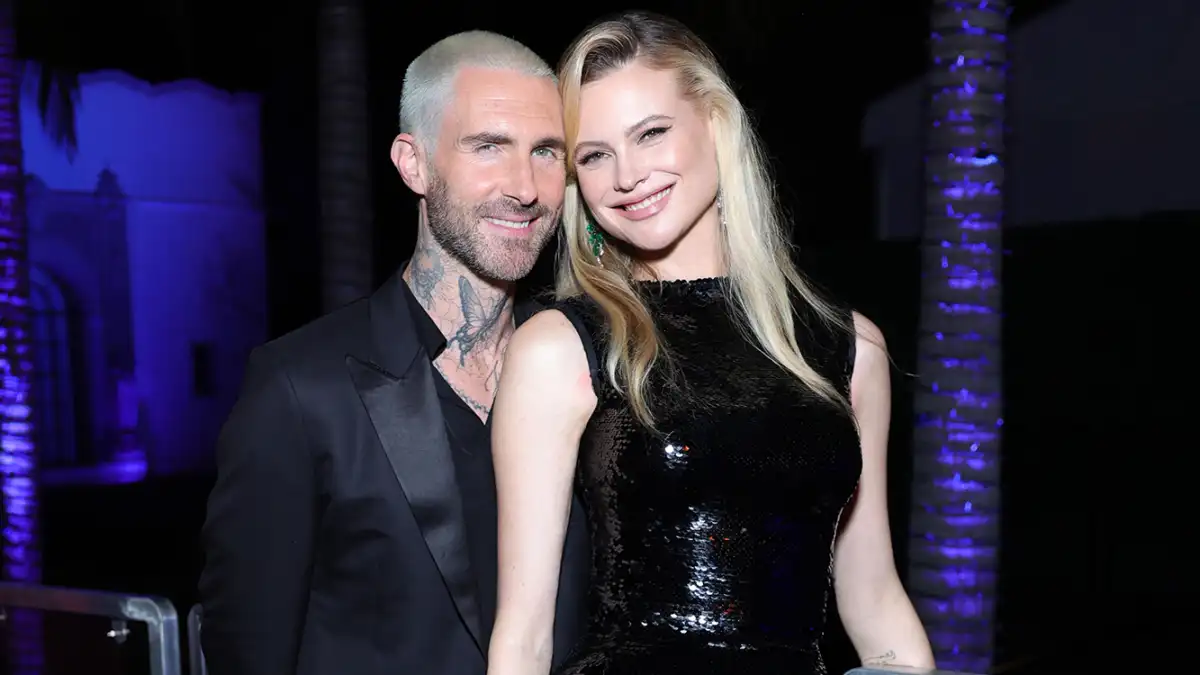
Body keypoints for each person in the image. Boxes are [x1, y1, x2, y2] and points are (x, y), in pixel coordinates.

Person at [486, 11, 937, 675]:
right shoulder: (561, 347)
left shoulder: (849, 350)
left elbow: (874, 600)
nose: (628, 175)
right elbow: (522, 639)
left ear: (717, 125)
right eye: (595, 155)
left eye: (652, 133)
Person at [198, 31, 589, 675]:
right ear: (413, 163)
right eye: (488, 146)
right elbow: (249, 651)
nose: (525, 186)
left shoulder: (582, 373)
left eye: (547, 151)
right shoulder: (301, 388)